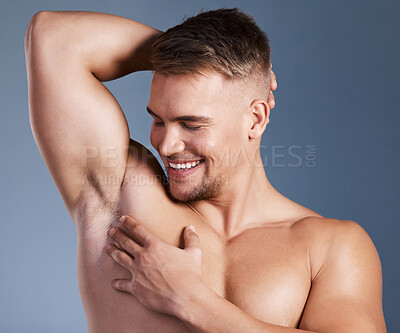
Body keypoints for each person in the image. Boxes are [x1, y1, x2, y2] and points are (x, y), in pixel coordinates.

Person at [25, 8, 386, 332]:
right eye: (159, 121)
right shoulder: (118, 192)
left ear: (256, 118)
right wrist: (190, 56)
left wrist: (193, 302)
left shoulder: (330, 247)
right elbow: (53, 38)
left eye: (191, 124)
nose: (166, 146)